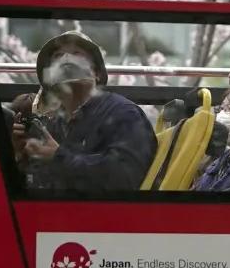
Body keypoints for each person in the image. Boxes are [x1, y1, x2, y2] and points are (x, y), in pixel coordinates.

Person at [11, 31, 156, 193]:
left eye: (77, 54)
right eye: (58, 56)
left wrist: (58, 157)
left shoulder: (122, 114)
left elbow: (125, 177)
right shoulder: (54, 125)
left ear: (97, 73)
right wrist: (19, 156)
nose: (66, 59)